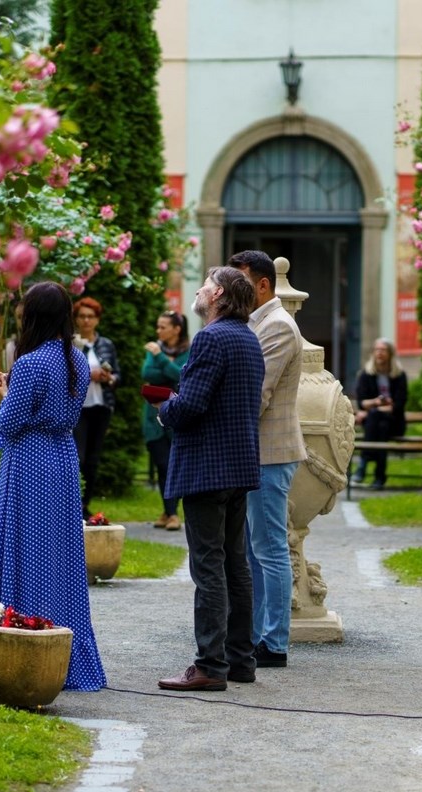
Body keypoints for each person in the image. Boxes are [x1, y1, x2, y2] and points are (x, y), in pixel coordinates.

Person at [0, 282, 106, 692]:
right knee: (57, 553)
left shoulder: (29, 364)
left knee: (20, 544)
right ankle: (61, 646)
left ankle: (20, 636)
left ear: (33, 316)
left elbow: (8, 423)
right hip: (62, 457)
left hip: (29, 460)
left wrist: (6, 394)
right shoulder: (76, 359)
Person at [155, 267, 265, 691]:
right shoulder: (248, 338)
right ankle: (240, 660)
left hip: (207, 467)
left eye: (204, 285)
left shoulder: (211, 337)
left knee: (208, 567)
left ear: (218, 293)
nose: (199, 291)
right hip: (237, 465)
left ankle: (210, 666)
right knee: (235, 565)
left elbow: (192, 404)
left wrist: (165, 410)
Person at [228, 250, 305, 668]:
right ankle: (257, 636)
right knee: (255, 551)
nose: (232, 291)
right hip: (257, 451)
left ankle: (274, 643)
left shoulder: (276, 325)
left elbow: (257, 394)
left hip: (271, 453)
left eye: (240, 282)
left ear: (262, 285)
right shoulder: (255, 323)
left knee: (270, 549)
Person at [141, 311, 190, 531]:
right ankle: (171, 512)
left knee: (174, 465)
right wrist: (166, 367)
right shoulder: (153, 349)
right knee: (163, 465)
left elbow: (182, 376)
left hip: (177, 415)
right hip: (153, 418)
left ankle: (170, 513)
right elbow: (147, 373)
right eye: (157, 326)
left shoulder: (188, 351)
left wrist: (160, 358)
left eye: (163, 327)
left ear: (176, 329)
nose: (158, 331)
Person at [72, 296, 120, 520]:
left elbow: (117, 375)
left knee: (92, 460)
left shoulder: (106, 344)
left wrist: (109, 378)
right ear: (76, 319)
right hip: (78, 408)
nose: (86, 321)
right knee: (78, 458)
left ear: (97, 319)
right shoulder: (71, 344)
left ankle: (85, 504)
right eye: (82, 316)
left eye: (90, 316)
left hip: (101, 406)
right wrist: (87, 375)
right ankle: (74, 503)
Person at [351, 337, 408, 489]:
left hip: (395, 423)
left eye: (383, 350)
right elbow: (362, 402)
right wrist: (377, 403)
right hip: (376, 424)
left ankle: (363, 464)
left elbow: (399, 405)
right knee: (381, 427)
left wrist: (372, 409)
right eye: (377, 350)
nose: (379, 353)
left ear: (390, 354)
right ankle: (379, 477)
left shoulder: (399, 375)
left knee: (377, 418)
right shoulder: (365, 375)